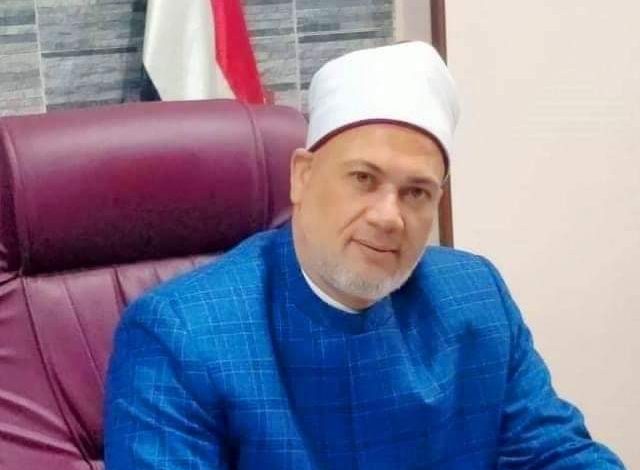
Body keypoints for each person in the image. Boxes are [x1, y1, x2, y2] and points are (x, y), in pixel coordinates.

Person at [104, 41, 624, 469]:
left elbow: (556, 453)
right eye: (363, 179)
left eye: (416, 192)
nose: (388, 216)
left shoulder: (475, 295)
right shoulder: (180, 336)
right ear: (302, 176)